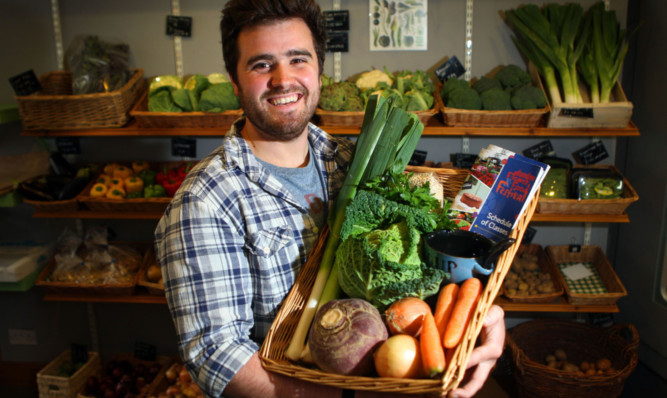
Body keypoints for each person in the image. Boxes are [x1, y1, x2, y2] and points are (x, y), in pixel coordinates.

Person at [154, 1, 505, 397]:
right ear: (234, 81)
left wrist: (480, 315)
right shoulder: (205, 201)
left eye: (298, 59)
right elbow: (216, 353)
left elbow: (420, 277)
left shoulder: (352, 164)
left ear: (319, 70)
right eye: (261, 65)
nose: (283, 79)